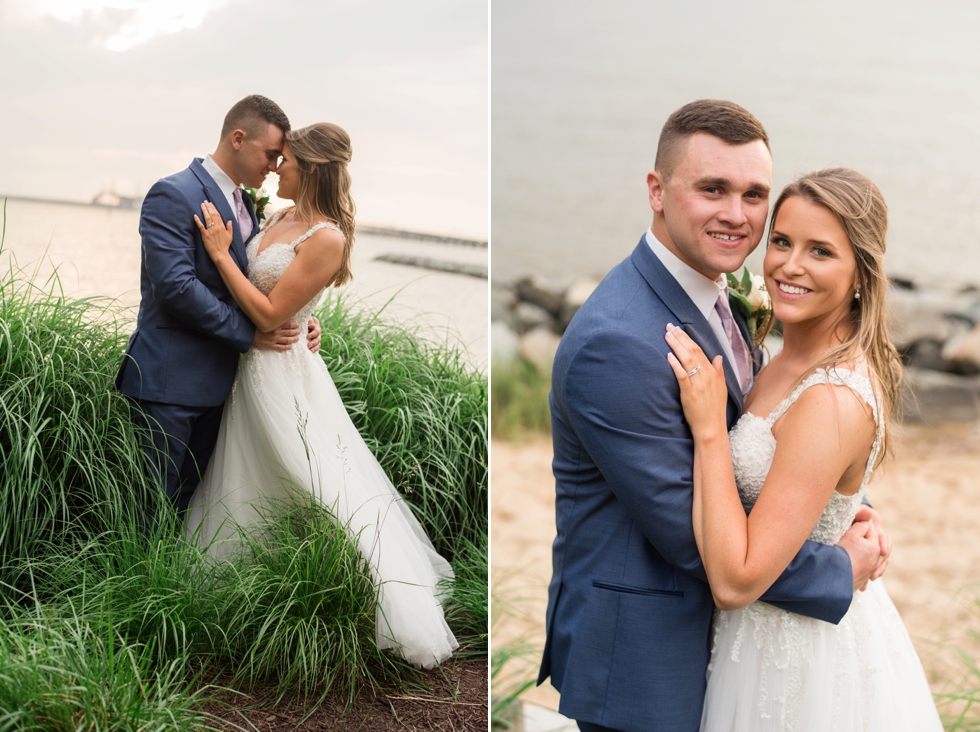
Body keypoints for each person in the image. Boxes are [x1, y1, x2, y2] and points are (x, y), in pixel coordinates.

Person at [538, 100, 889, 732]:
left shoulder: (720, 295)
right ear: (656, 189)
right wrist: (836, 563)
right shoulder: (618, 342)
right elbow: (692, 534)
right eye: (712, 189)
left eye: (755, 195)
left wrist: (825, 501)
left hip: (729, 648)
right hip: (644, 658)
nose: (737, 216)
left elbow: (770, 448)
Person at [665, 168, 942, 730]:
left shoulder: (832, 398)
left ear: (861, 274)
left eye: (820, 251)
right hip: (753, 643)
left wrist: (710, 430)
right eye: (783, 241)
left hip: (795, 657)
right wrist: (843, 505)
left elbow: (737, 580)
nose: (790, 266)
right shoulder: (784, 359)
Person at [184, 122, 458, 669]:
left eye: (284, 161)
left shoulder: (327, 236)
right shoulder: (278, 217)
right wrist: (307, 320)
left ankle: (354, 593)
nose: (275, 168)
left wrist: (219, 255)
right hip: (251, 369)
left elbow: (267, 312)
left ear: (308, 169)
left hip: (282, 373)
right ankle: (248, 587)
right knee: (255, 473)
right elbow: (274, 294)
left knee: (316, 479)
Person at [115, 95, 322, 518]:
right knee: (149, 509)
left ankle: (172, 584)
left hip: (223, 387)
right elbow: (175, 286)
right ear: (238, 138)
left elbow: (252, 280)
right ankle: (134, 585)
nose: (275, 166)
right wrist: (252, 334)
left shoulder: (246, 204)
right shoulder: (174, 193)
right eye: (270, 154)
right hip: (171, 381)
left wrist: (298, 316)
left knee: (191, 509)